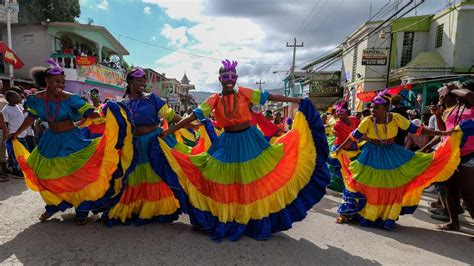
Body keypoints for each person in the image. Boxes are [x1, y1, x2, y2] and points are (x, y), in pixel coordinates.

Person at [159, 59, 330, 241]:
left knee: (253, 179)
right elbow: (194, 115)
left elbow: (268, 96)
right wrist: (170, 130)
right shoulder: (214, 100)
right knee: (222, 178)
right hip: (227, 143)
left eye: (233, 76)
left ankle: (252, 219)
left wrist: (295, 100)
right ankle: (229, 216)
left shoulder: (244, 93)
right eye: (226, 76)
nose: (230, 79)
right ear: (220, 79)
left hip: (250, 140)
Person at [8, 59, 133, 225]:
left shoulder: (71, 98)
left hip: (72, 139)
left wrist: (106, 112)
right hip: (50, 141)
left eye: (63, 82)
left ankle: (82, 209)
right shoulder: (36, 99)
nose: (61, 84)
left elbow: (89, 113)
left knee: (79, 175)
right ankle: (53, 205)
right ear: (47, 81)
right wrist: (16, 133)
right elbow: (31, 117)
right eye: (57, 81)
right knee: (47, 175)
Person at [334, 90, 461, 229]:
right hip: (371, 154)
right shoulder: (368, 121)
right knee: (364, 184)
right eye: (371, 107)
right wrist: (340, 148)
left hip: (392, 154)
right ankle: (366, 213)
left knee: (391, 187)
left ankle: (384, 216)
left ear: (385, 108)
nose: (372, 109)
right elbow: (353, 137)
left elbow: (417, 130)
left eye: (376, 107)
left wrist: (442, 133)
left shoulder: (395, 118)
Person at [104, 67, 182, 225]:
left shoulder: (152, 98)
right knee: (135, 177)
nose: (142, 83)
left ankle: (156, 207)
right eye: (139, 80)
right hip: (134, 146)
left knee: (155, 174)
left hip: (153, 142)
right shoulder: (122, 104)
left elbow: (170, 115)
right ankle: (139, 206)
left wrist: (191, 123)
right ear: (130, 82)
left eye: (144, 80)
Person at [427, 80, 474, 232]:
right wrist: (437, 115)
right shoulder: (455, 108)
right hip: (451, 154)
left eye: (461, 90)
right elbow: (444, 131)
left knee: (467, 193)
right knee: (450, 189)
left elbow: (469, 95)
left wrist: (454, 90)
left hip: (469, 154)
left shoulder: (472, 104)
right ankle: (454, 222)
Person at [327, 100, 360, 193]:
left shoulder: (355, 119)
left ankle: (349, 187)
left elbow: (361, 130)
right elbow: (346, 138)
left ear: (346, 112)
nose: (339, 115)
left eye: (341, 112)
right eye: (337, 112)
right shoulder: (337, 124)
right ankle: (348, 187)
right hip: (340, 149)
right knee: (338, 167)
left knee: (347, 170)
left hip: (352, 149)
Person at [2, 90, 27, 177]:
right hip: (14, 135)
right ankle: (16, 171)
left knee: (23, 153)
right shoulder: (6, 110)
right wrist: (8, 135)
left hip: (22, 134)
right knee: (14, 154)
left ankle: (21, 169)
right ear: (10, 99)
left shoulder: (18, 106)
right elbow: (6, 124)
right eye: (16, 96)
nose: (19, 97)